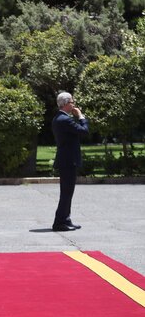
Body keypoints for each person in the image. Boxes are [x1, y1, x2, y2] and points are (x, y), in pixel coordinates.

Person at [51, 92, 89, 232]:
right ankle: (59, 222)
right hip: (68, 161)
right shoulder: (65, 120)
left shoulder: (59, 118)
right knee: (66, 193)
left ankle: (65, 219)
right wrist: (80, 116)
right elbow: (84, 131)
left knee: (67, 192)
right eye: (72, 102)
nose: (74, 104)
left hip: (66, 160)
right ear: (66, 104)